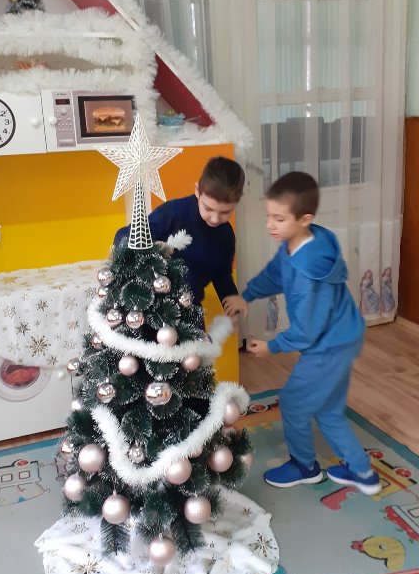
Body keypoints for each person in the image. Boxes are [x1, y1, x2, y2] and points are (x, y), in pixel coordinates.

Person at [223, 171, 381, 496]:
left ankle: (304, 466)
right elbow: (275, 274)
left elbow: (307, 332)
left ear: (305, 219)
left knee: (293, 403)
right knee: (328, 409)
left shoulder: (311, 274)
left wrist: (272, 346)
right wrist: (247, 295)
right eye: (269, 216)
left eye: (279, 219)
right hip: (340, 336)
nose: (270, 225)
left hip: (329, 346)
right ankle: (362, 471)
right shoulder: (299, 242)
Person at [114, 155, 245, 307]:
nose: (215, 219)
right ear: (197, 191)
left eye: (225, 212)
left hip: (190, 308)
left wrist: (234, 307)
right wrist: (151, 246)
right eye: (208, 208)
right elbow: (122, 236)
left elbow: (222, 277)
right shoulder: (173, 213)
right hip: (151, 306)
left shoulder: (225, 235)